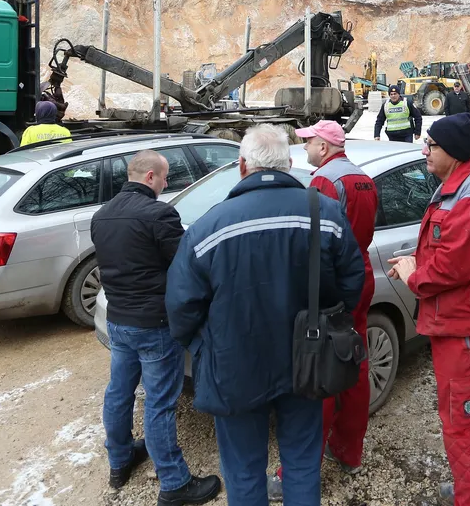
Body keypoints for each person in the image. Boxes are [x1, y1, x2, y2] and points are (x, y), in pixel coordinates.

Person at [166, 125, 365, 506]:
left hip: (234, 366)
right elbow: (352, 282)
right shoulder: (324, 213)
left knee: (243, 470)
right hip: (307, 362)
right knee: (303, 464)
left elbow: (180, 308)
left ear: (241, 165)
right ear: (289, 164)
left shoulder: (209, 226)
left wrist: (204, 346)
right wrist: (326, 322)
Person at [387, 113, 470, 506]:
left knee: (465, 422)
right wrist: (418, 259)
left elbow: (455, 267)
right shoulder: (456, 188)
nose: (425, 150)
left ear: (454, 152)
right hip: (456, 326)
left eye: (433, 145)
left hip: (467, 332)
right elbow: (451, 250)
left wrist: (413, 275)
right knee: (463, 419)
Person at [93, 151, 222, 504]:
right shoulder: (159, 214)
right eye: (164, 179)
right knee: (160, 402)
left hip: (118, 319)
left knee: (118, 392)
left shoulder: (102, 215)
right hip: (154, 324)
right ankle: (174, 482)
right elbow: (185, 264)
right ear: (150, 176)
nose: (166, 185)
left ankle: (119, 460)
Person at [268, 120, 379, 501]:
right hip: (361, 274)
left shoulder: (324, 183)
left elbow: (313, 242)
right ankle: (349, 451)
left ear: (325, 146)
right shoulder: (362, 177)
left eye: (309, 142)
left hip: (331, 284)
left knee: (321, 374)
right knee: (355, 363)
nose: (305, 149)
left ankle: (297, 470)